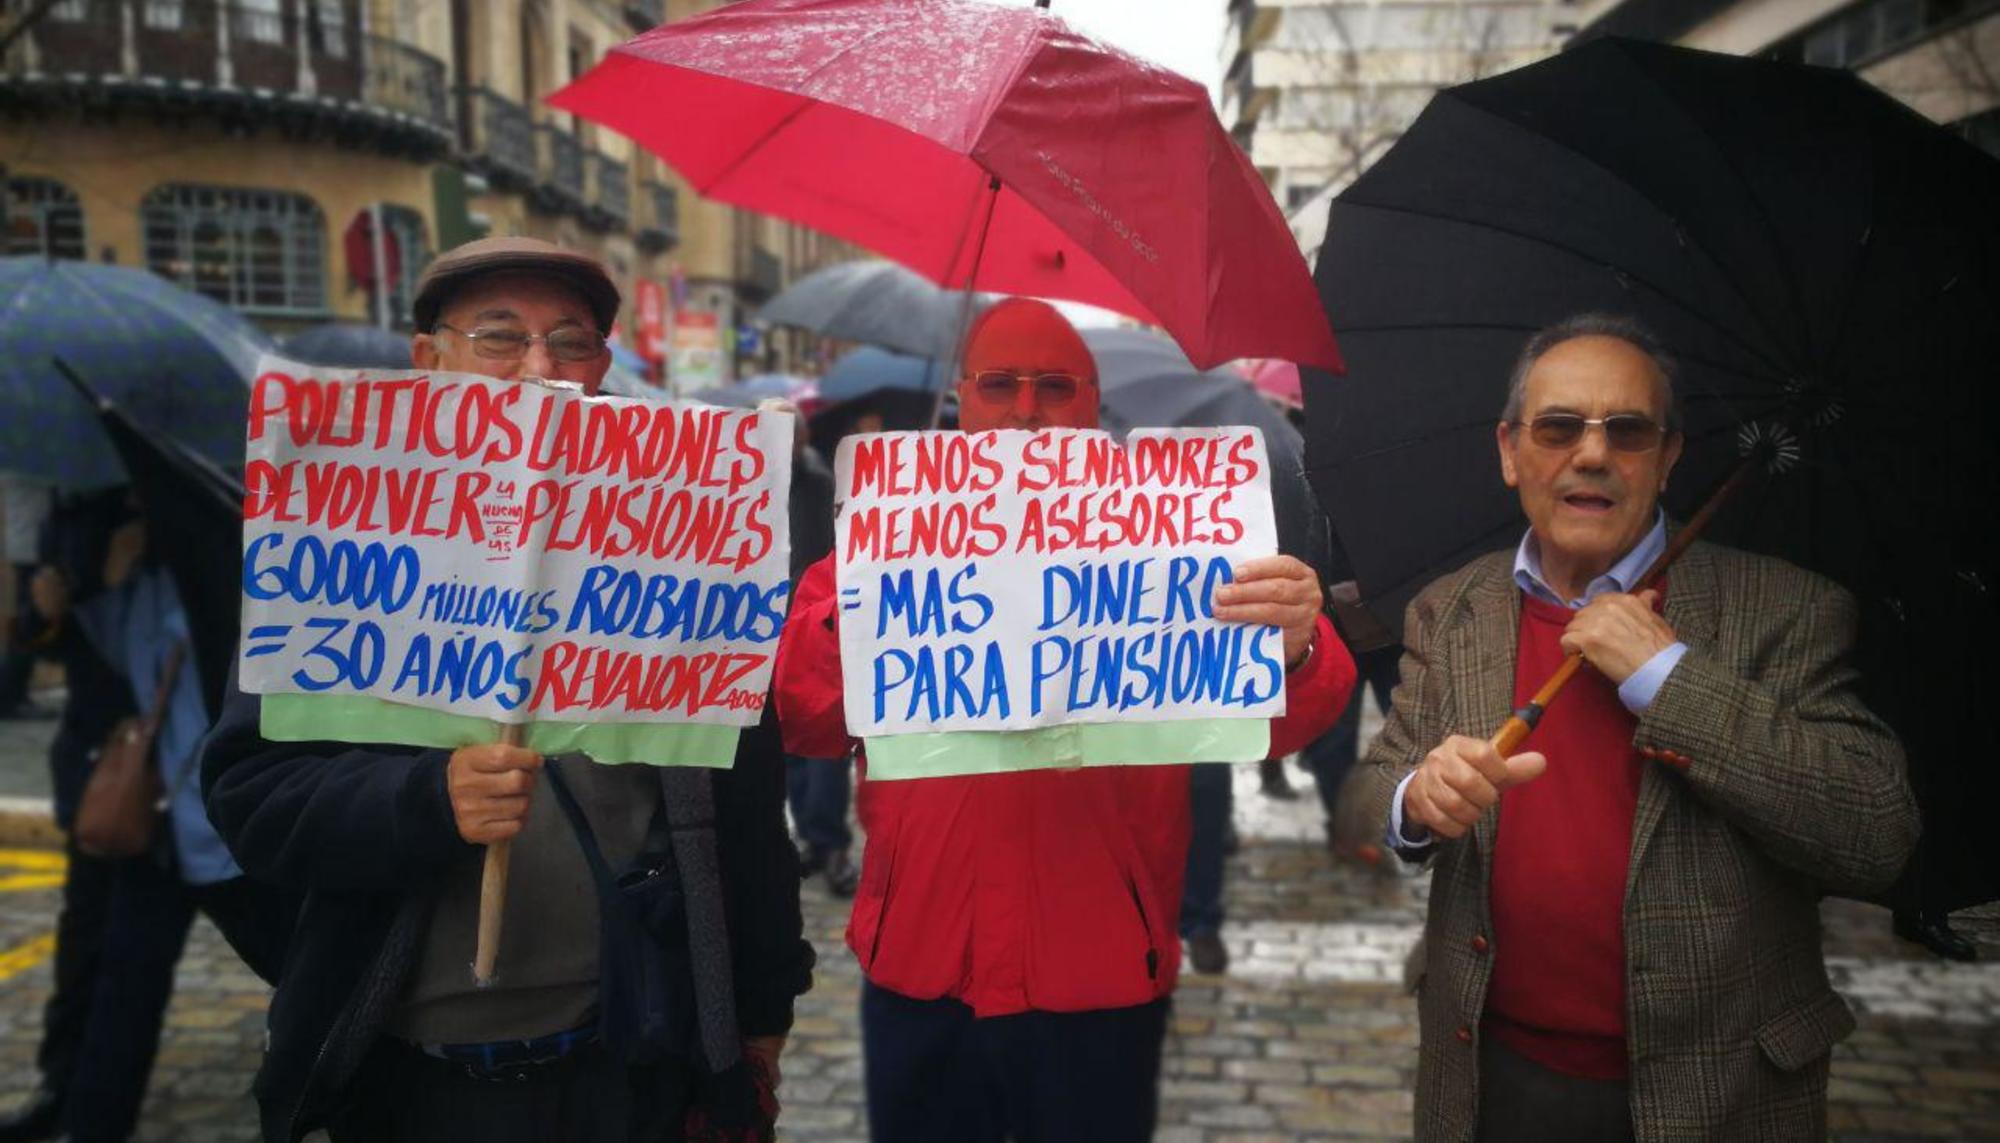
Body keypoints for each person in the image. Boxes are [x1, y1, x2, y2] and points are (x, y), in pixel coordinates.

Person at [200, 237, 813, 1143]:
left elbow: (749, 811)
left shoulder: (684, 544)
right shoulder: (345, 537)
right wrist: (426, 797)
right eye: (499, 336)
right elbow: (251, 797)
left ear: (605, 367)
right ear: (428, 357)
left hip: (633, 1068)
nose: (540, 368)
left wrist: (761, 1007)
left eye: (571, 341)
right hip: (416, 1085)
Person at [774, 297, 1354, 1142]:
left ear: (1089, 403)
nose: (1024, 409)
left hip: (1103, 968)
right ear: (962, 399)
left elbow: (1281, 723)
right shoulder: (876, 536)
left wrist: (1297, 645)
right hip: (923, 961)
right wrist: (871, 596)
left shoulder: (1174, 538)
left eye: (1053, 386)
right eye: (1000, 384)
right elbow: (802, 719)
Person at [1359, 314, 1918, 1142]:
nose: (1591, 454)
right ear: (1511, 451)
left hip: (1717, 1093)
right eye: (1559, 428)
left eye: (1627, 430)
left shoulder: (1788, 609)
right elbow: (1382, 780)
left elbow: (1876, 829)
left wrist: (1672, 677)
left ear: (1668, 457)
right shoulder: (1451, 610)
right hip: (1490, 1078)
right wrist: (1416, 798)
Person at [20, 503, 293, 1143]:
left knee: (301, 972)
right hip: (157, 819)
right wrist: (79, 594)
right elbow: (85, 644)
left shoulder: (215, 556)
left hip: (223, 824)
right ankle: (86, 1116)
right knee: (119, 981)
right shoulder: (112, 557)